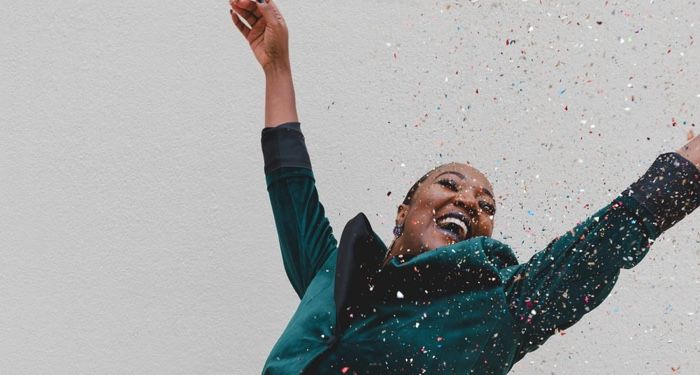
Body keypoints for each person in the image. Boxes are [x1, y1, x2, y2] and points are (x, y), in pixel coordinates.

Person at [229, 1, 700, 373]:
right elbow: (291, 183)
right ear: (404, 210)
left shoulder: (498, 311)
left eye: (486, 204)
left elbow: (606, 240)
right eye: (449, 183)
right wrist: (277, 67)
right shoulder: (330, 273)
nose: (469, 200)